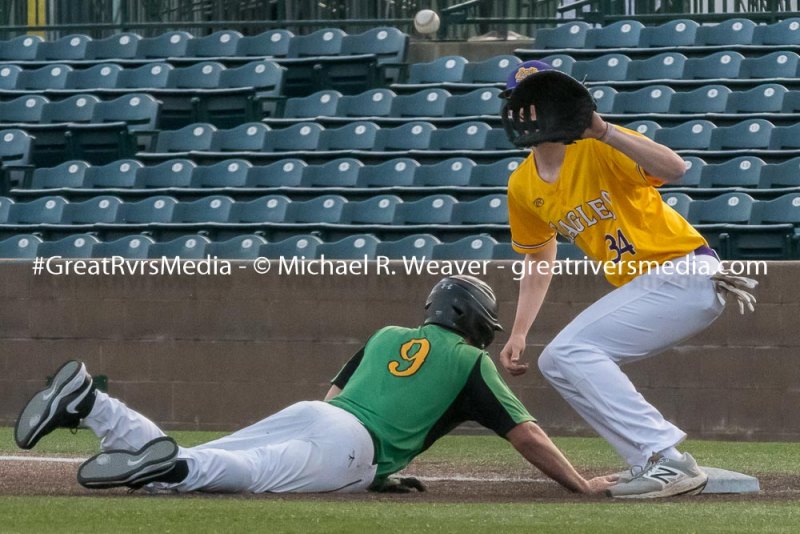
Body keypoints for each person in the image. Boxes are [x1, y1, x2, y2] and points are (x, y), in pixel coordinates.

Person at [15, 275, 616, 495]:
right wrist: (582, 483)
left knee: (202, 458)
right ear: (475, 321)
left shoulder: (386, 334)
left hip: (317, 414)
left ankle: (94, 403)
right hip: (352, 447)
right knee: (244, 475)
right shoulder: (470, 360)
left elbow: (332, 400)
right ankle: (168, 468)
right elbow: (528, 435)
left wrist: (376, 470)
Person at [498, 61, 757, 498]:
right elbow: (540, 257)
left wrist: (603, 131)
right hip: (654, 286)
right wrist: (520, 331)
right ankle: (652, 461)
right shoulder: (522, 185)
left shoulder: (598, 147)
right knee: (558, 361)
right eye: (522, 103)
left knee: (572, 351)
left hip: (685, 270)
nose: (532, 112)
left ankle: (666, 457)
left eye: (541, 101)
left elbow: (674, 168)